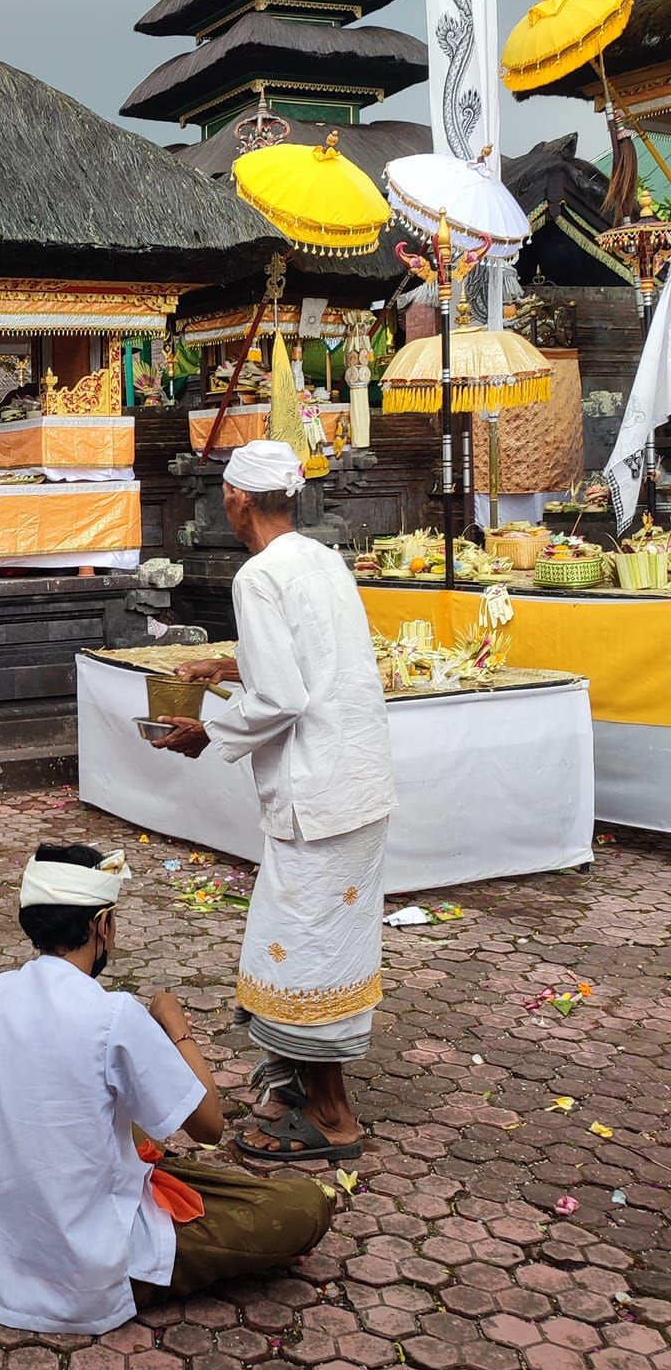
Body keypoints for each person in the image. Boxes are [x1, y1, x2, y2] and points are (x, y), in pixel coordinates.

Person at [0, 843, 333, 1335]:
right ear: (101, 925)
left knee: (141, 1142)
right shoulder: (113, 1014)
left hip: (3, 1263)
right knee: (306, 1205)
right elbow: (209, 1128)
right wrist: (176, 1028)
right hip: (94, 1272)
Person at [154, 438, 396, 1163]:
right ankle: (298, 1084)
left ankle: (331, 1114)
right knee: (333, 941)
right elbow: (318, 660)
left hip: (316, 794)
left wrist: (209, 726)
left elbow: (285, 696)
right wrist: (229, 663)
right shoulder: (324, 561)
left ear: (235, 499)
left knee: (304, 953)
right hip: (358, 780)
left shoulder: (259, 577)